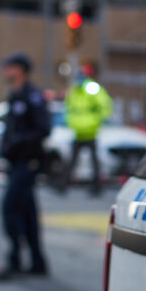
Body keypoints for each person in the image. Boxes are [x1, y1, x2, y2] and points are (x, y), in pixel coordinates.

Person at [0, 53, 51, 282]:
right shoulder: (15, 95)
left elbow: (43, 129)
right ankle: (38, 262)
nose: (5, 71)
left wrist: (17, 142)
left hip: (28, 162)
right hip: (16, 162)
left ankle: (15, 259)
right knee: (27, 213)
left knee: (9, 208)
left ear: (20, 70)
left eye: (9, 67)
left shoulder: (32, 96)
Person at [61, 65, 112, 196]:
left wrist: (99, 120)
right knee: (73, 160)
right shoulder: (75, 90)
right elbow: (68, 107)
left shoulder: (91, 88)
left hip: (90, 130)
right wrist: (70, 122)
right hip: (78, 131)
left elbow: (104, 104)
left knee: (92, 161)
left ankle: (96, 187)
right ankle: (63, 185)